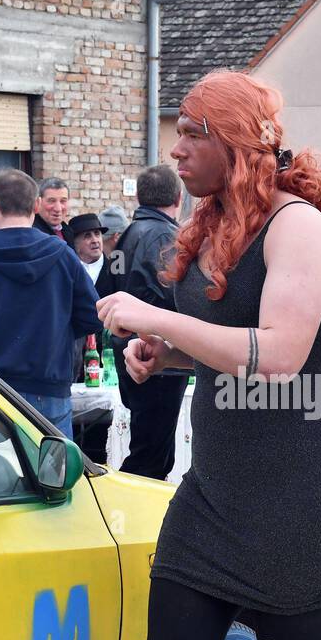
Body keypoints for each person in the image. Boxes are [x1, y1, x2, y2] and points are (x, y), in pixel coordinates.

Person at [94, 70, 321, 640]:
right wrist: (167, 352)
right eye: (178, 132)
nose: (175, 149)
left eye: (192, 132)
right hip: (218, 489)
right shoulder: (212, 222)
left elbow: (278, 355)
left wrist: (161, 320)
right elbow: (229, 343)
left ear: (237, 143)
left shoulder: (297, 226)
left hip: (301, 492)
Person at [0, 168, 101, 437]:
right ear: (36, 205)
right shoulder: (63, 255)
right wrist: (56, 331)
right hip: (49, 387)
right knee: (53, 477)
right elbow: (92, 315)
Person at [103, 164, 190, 481]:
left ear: (139, 197)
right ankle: (131, 520)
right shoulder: (166, 237)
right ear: (179, 197)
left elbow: (106, 292)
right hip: (157, 356)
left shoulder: (125, 237)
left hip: (130, 350)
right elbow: (171, 298)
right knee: (151, 457)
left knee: (151, 449)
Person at [67, 212, 109, 287]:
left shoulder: (117, 272)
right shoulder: (68, 272)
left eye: (97, 234)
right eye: (87, 236)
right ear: (75, 243)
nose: (95, 240)